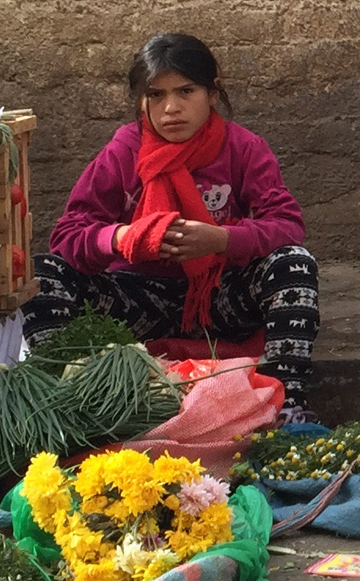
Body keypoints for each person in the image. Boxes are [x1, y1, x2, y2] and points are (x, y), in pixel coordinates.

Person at [31, 33, 321, 419]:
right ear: (142, 101)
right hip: (138, 300)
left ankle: (284, 405)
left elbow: (287, 225)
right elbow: (67, 235)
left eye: (186, 91)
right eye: (156, 95)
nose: (171, 108)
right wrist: (123, 238)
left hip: (219, 298)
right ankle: (62, 405)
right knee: (42, 272)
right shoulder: (125, 150)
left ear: (213, 94)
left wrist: (220, 239)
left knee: (294, 263)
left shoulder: (243, 148)